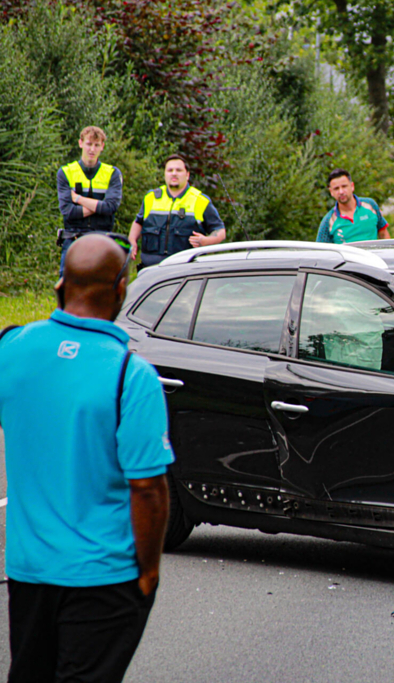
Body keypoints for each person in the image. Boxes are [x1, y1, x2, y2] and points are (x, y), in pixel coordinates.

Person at [0, 233, 174, 682]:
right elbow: (149, 489)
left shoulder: (11, 349)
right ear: (121, 289)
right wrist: (149, 571)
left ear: (59, 285)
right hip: (104, 577)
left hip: (29, 572)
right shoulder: (131, 376)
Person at [128, 154, 226, 267]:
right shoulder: (151, 197)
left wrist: (205, 241)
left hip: (185, 270)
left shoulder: (200, 200)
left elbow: (220, 231)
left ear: (187, 175)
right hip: (151, 269)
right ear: (165, 174)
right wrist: (132, 240)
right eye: (170, 170)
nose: (174, 173)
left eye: (179, 170)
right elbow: (138, 222)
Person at [56, 126, 124, 276]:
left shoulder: (112, 173)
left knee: (99, 289)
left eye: (96, 145)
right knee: (68, 289)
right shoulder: (66, 172)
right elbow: (68, 211)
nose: (92, 149)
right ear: (80, 143)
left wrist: (79, 199)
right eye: (89, 144)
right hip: (73, 239)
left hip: (102, 240)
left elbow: (111, 207)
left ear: (102, 147)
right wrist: (100, 207)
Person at [315, 169, 391, 244]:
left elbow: (383, 234)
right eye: (336, 188)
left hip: (373, 255)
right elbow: (321, 252)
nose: (341, 192)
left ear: (352, 186)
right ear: (331, 192)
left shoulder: (370, 205)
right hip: (347, 256)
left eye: (344, 186)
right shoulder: (328, 221)